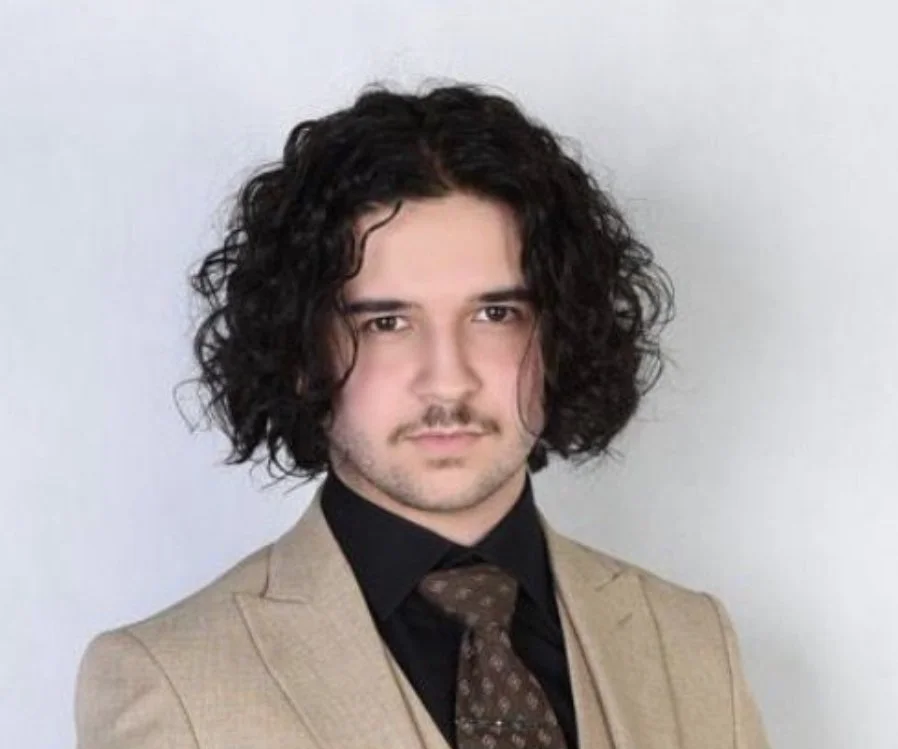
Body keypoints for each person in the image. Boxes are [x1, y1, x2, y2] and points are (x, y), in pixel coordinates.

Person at [75, 82, 770, 749]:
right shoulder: (171, 680)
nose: (448, 377)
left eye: (495, 314)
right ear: (301, 348)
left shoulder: (692, 641)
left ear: (562, 335)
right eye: (387, 322)